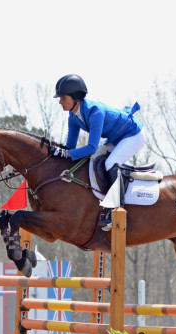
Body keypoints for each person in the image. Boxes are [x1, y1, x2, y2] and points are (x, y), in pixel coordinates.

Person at [52, 74, 145, 230]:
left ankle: (119, 212)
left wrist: (66, 154)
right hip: (116, 137)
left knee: (110, 163)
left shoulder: (95, 112)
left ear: (75, 97)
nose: (60, 102)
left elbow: (91, 148)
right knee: (97, 160)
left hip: (133, 134)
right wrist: (57, 151)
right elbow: (70, 147)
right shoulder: (72, 117)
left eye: (63, 98)